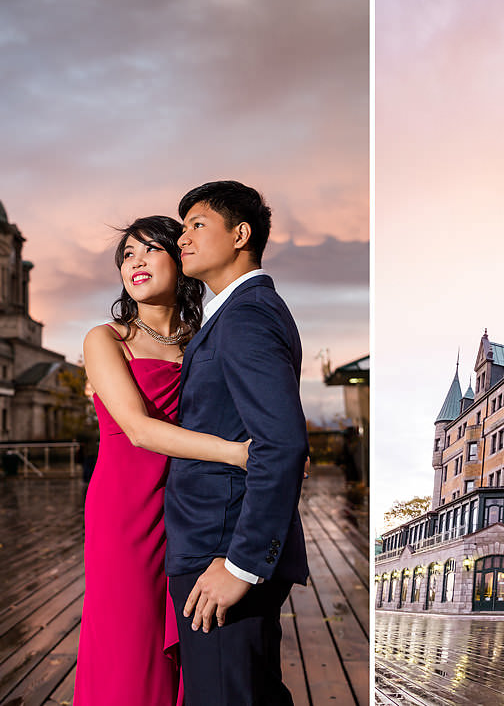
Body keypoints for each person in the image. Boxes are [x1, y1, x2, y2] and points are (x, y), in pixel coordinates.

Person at [76, 216, 251, 706]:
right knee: (131, 641)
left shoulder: (205, 341)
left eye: (150, 250)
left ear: (182, 258)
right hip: (126, 509)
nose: (136, 262)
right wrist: (238, 454)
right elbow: (137, 428)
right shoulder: (106, 339)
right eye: (127, 255)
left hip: (191, 507)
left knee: (190, 642)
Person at [166, 180, 309, 705]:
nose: (182, 238)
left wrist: (242, 564)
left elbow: (281, 443)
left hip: (221, 548)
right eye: (182, 228)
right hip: (216, 542)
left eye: (197, 225)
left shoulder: (246, 314)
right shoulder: (234, 313)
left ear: (240, 234)